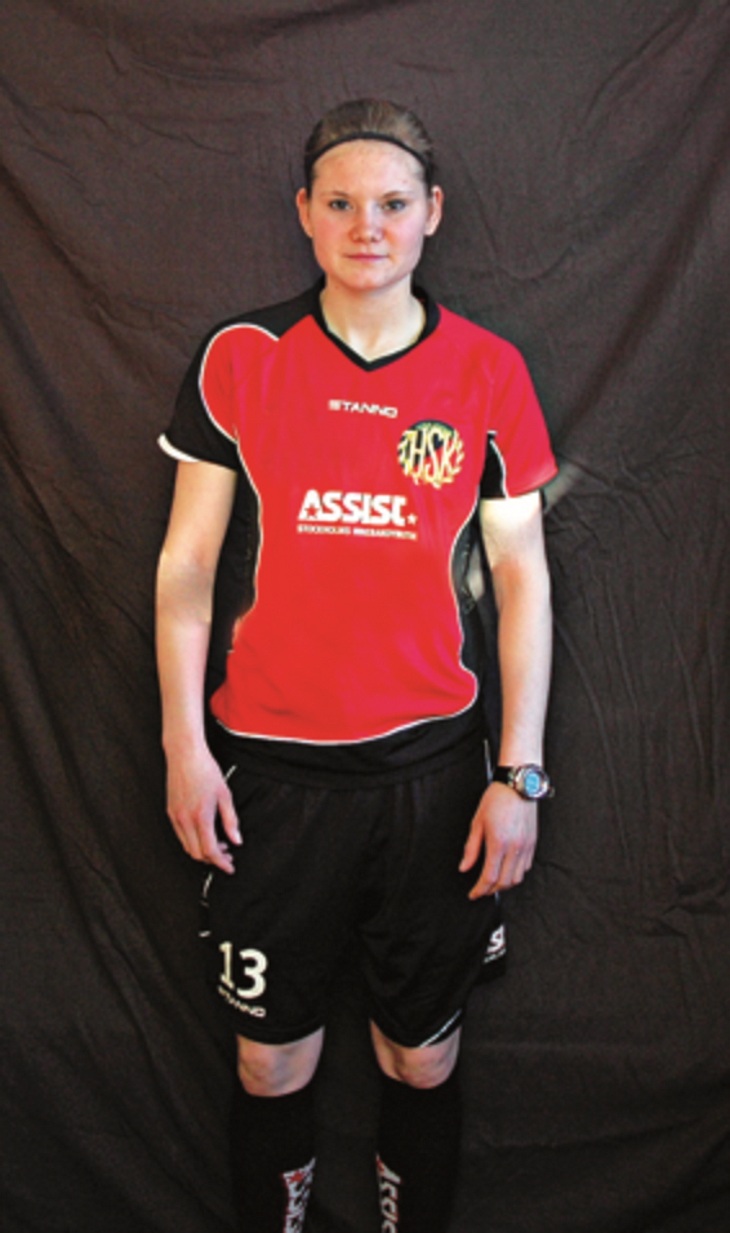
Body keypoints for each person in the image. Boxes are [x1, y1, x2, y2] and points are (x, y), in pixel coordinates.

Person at [156, 98, 557, 1233]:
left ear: (432, 213)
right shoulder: (242, 357)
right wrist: (184, 747)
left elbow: (521, 576)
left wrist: (518, 775)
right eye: (340, 202)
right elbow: (185, 566)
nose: (365, 226)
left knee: (418, 1058)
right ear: (304, 213)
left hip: (435, 779)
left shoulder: (487, 369)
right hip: (270, 780)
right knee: (269, 1064)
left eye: (390, 203)